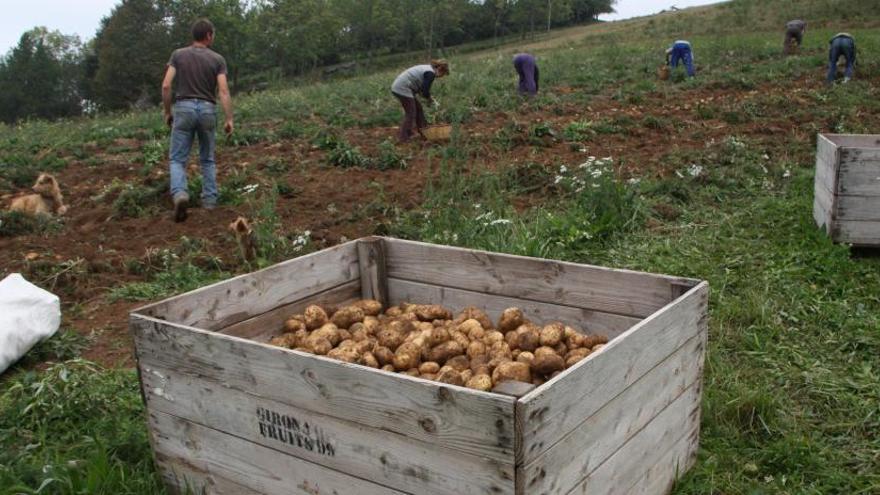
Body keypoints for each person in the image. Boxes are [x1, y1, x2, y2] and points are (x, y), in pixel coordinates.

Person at [161, 18, 234, 222]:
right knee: (207, 158)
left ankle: (180, 194)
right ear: (208, 35)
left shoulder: (178, 55)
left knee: (177, 158)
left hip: (183, 108)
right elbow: (223, 90)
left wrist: (168, 112)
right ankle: (210, 201)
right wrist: (229, 119)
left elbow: (166, 85)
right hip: (207, 109)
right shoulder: (217, 59)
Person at [391, 59, 449, 142]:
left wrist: (430, 99)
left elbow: (422, 90)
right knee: (411, 112)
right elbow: (424, 91)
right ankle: (403, 137)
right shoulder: (430, 73)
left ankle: (424, 132)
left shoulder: (428, 69)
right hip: (402, 88)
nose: (440, 77)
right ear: (440, 69)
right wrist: (431, 101)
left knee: (418, 109)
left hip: (402, 87)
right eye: (442, 74)